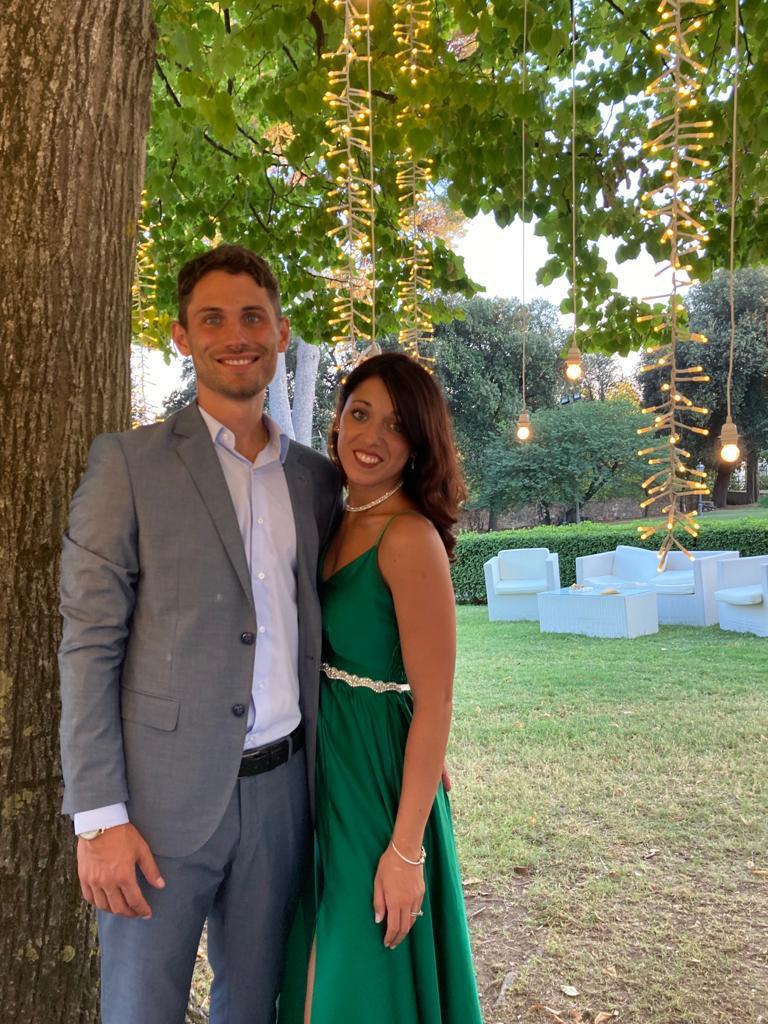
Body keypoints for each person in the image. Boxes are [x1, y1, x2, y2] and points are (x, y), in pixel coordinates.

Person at [58, 244, 342, 1024]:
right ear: (182, 337)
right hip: (154, 806)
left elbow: (343, 629)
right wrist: (99, 817)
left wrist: (412, 730)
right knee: (139, 1009)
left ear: (281, 332)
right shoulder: (128, 465)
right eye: (212, 319)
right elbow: (88, 644)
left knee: (254, 1007)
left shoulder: (317, 481)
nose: (236, 335)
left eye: (253, 317)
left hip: (283, 796)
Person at [278, 352, 484, 1023]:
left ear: (418, 445)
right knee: (317, 940)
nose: (371, 437)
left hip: (374, 777)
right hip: (322, 761)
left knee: (358, 954)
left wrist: (405, 849)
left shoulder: (408, 537)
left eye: (395, 426)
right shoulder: (334, 518)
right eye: (360, 414)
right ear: (337, 421)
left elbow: (436, 700)